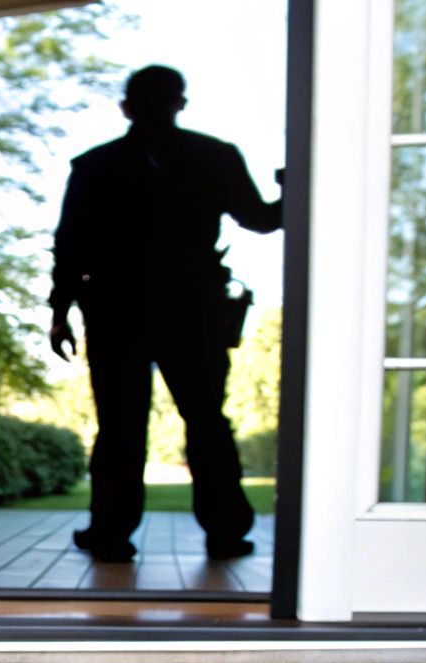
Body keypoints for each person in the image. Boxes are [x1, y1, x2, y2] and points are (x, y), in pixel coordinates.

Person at [48, 65, 282, 564]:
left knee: (120, 427)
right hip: (192, 310)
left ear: (126, 107)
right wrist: (297, 191)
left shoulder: (95, 166)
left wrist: (60, 310)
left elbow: (69, 246)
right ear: (181, 103)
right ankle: (224, 532)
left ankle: (111, 533)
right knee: (206, 422)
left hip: (116, 312)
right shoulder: (214, 157)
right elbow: (260, 219)